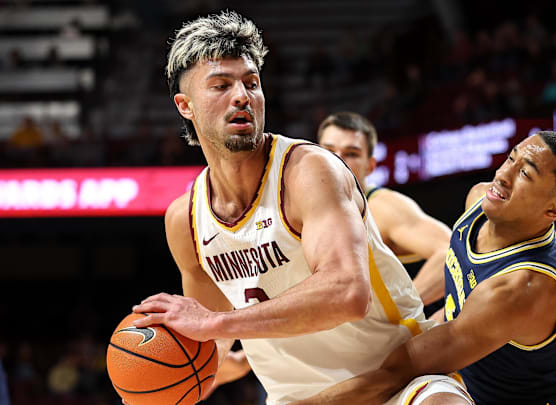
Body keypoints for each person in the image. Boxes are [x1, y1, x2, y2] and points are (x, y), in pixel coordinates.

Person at [129, 11, 471, 405]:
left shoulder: (308, 171)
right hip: (296, 398)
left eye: (251, 83)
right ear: (185, 106)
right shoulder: (184, 220)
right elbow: (213, 345)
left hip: (396, 379)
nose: (242, 95)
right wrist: (156, 378)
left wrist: (216, 322)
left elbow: (347, 293)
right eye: (221, 85)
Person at [292, 131, 556, 405]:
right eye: (511, 158)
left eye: (525, 174)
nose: (503, 175)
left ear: (554, 209)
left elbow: (404, 368)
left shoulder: (520, 287)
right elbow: (456, 313)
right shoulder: (479, 199)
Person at [317, 112, 451, 312]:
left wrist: (401, 308)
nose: (337, 159)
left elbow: (451, 252)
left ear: (370, 166)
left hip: (385, 337)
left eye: (351, 153)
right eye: (328, 150)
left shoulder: (382, 207)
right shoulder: (301, 206)